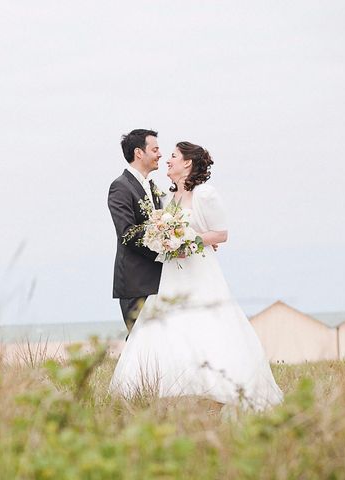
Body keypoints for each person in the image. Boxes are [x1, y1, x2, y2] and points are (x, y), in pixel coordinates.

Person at [109, 141, 283, 411]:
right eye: (163, 153)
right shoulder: (167, 198)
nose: (167, 159)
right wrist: (167, 242)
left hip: (199, 271)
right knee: (171, 328)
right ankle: (173, 393)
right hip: (171, 274)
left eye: (174, 156)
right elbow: (158, 230)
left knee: (205, 324)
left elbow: (221, 233)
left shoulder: (205, 194)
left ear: (187, 163)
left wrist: (189, 241)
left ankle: (216, 390)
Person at [107, 129, 164, 337]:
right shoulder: (120, 187)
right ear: (139, 153)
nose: (160, 154)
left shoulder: (153, 187)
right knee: (141, 345)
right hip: (135, 281)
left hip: (157, 279)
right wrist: (164, 252)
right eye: (155, 149)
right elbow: (127, 233)